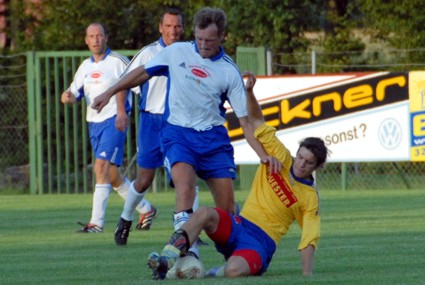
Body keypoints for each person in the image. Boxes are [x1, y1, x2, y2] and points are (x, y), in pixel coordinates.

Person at [92, 7, 269, 250]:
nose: (203, 45)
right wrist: (109, 92)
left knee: (227, 210)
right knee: (183, 187)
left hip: (214, 140)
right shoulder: (176, 52)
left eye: (209, 40)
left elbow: (246, 121)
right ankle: (186, 253)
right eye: (199, 39)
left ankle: (228, 242)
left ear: (222, 37)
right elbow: (141, 73)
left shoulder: (229, 70)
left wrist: (263, 155)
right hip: (177, 133)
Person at [145, 72, 330, 279]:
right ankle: (166, 260)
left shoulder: (309, 197)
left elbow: (309, 237)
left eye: (309, 163)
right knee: (205, 212)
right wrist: (249, 92)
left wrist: (307, 273)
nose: (301, 164)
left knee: (234, 270)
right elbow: (257, 120)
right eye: (300, 157)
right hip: (239, 225)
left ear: (317, 167)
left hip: (261, 242)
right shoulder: (280, 157)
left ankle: (212, 274)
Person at [113, 8, 202, 247]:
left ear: (183, 28)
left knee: (187, 177)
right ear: (160, 28)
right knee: (144, 180)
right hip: (152, 122)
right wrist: (121, 111)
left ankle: (190, 232)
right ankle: (125, 219)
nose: (174, 30)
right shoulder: (149, 53)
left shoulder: (190, 51)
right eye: (169, 26)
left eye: (178, 26)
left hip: (179, 122)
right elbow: (123, 82)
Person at [61, 22, 156, 233]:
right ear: (86, 40)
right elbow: (72, 94)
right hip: (93, 124)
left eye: (99, 35)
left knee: (100, 166)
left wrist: (123, 112)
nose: (96, 39)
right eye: (91, 36)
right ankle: (146, 209)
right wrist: (66, 97)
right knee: (112, 176)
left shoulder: (118, 61)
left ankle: (96, 223)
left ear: (106, 37)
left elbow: (137, 86)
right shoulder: (84, 67)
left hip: (114, 121)